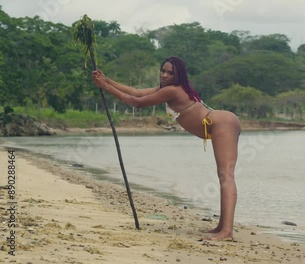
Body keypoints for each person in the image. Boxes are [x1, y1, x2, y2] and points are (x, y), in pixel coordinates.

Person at [92, 56, 241, 241]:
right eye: (163, 71)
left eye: (170, 73)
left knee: (225, 175)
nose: (165, 75)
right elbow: (136, 92)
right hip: (219, 123)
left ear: (179, 75)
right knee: (224, 175)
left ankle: (227, 231)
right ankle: (222, 226)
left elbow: (137, 103)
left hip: (221, 122)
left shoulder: (172, 90)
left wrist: (105, 87)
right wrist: (106, 80)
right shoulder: (166, 89)